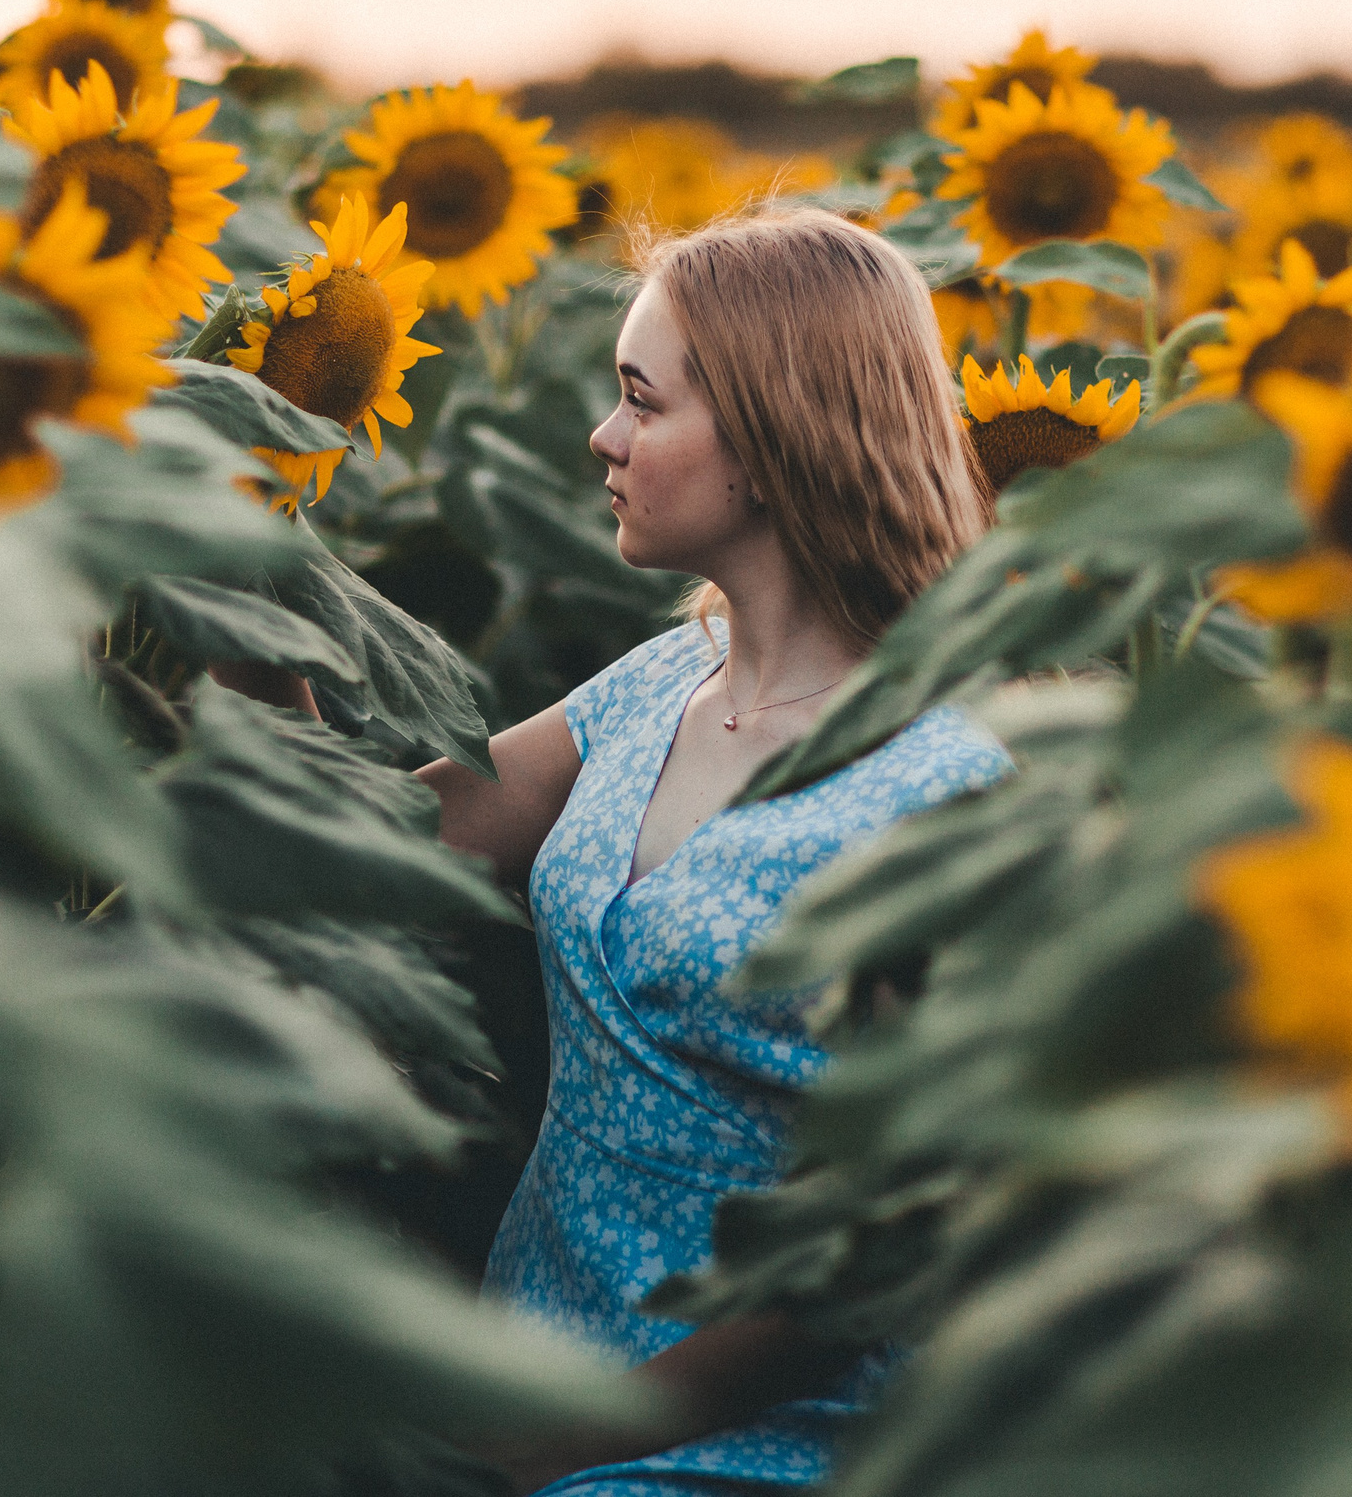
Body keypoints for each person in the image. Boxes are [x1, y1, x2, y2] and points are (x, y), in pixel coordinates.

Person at [417, 208, 1014, 1495]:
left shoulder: (947, 784)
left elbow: (894, 1244)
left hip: (753, 1448)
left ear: (770, 436)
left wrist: (560, 1444)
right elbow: (403, 838)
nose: (603, 436)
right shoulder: (661, 681)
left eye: (642, 401)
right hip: (517, 1375)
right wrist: (241, 585)